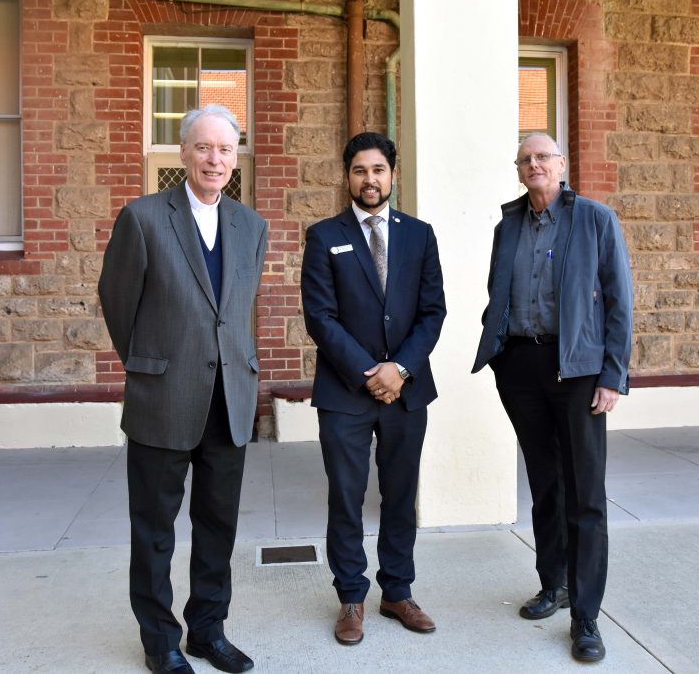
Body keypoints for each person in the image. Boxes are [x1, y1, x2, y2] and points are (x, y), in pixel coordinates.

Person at [99, 105, 266, 674]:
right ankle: (160, 642)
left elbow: (237, 311)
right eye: (204, 148)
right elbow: (119, 305)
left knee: (218, 526)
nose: (215, 158)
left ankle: (207, 631)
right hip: (162, 398)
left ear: (235, 156)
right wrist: (151, 364)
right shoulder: (143, 218)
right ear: (183, 154)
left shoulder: (252, 225)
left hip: (229, 400)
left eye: (226, 148)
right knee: (154, 529)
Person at [471, 133, 633, 663]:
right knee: (544, 483)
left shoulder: (593, 219)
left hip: (579, 370)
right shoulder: (508, 224)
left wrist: (612, 375)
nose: (534, 164)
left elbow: (618, 301)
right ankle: (554, 584)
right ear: (518, 169)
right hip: (521, 365)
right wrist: (495, 346)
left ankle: (585, 616)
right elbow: (498, 291)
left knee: (585, 492)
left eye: (543, 156)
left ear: (561, 164)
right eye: (526, 158)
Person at [301, 132, 446, 646]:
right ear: (347, 177)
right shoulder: (323, 236)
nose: (370, 179)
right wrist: (370, 371)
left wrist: (399, 370)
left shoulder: (420, 235)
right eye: (360, 170)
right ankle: (351, 597)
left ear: (393, 175)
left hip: (407, 392)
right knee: (345, 496)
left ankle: (397, 591)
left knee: (401, 495)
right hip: (345, 393)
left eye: (379, 169)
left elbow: (433, 312)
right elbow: (320, 317)